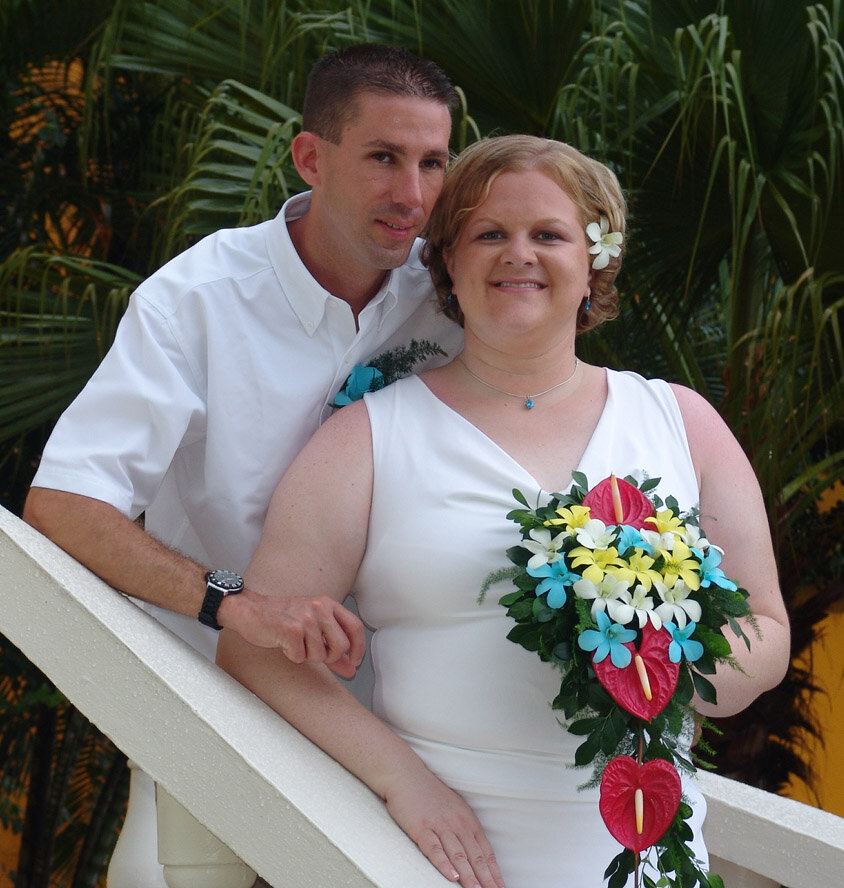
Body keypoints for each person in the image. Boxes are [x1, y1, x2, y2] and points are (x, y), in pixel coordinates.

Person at [218, 135, 791, 887]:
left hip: (645, 855)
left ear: (595, 263)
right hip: (435, 859)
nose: (518, 253)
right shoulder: (367, 438)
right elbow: (258, 646)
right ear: (449, 263)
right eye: (489, 234)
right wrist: (403, 783)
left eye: (547, 235)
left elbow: (768, 632)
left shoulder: (681, 423)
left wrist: (657, 650)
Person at [23, 44, 463, 885]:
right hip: (215, 710)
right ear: (311, 156)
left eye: (432, 162)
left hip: (406, 723)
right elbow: (66, 504)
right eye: (382, 158)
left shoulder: (455, 298)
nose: (412, 195)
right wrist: (235, 605)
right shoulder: (197, 299)